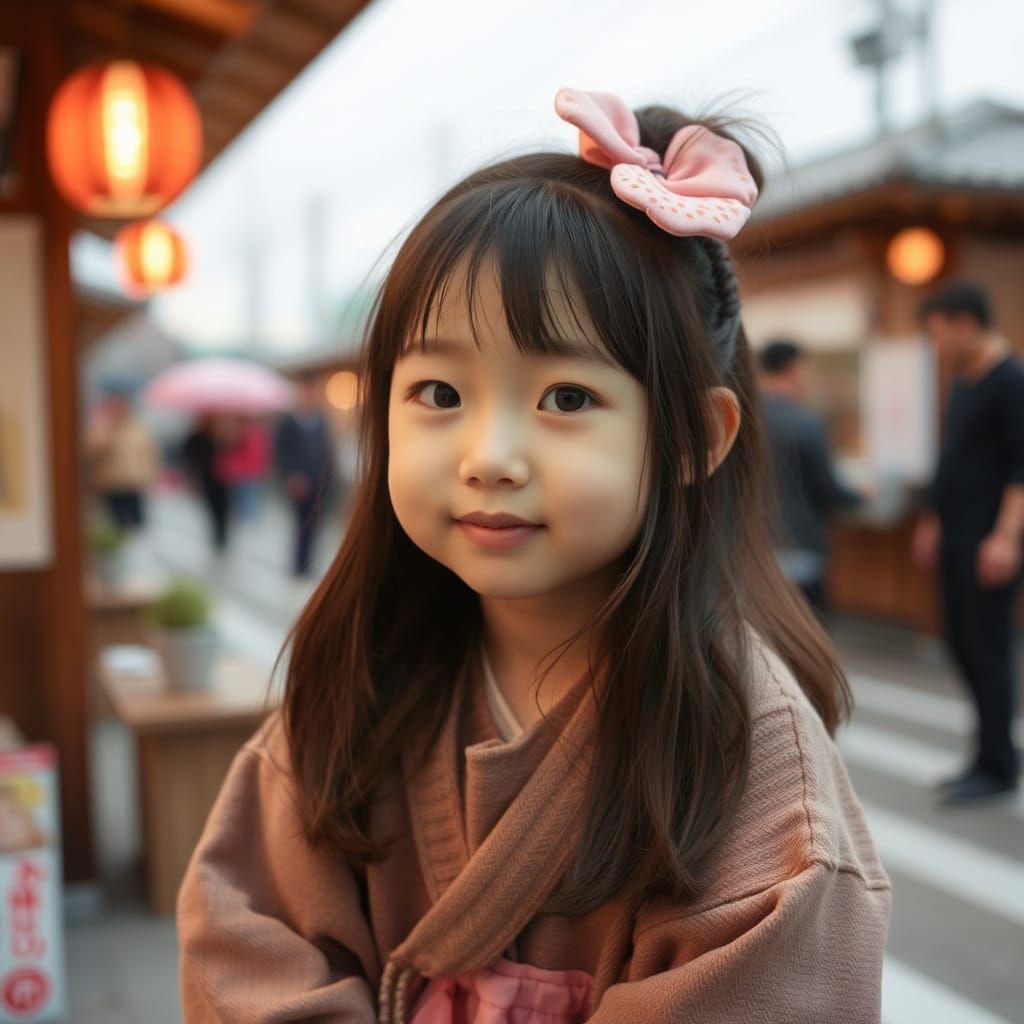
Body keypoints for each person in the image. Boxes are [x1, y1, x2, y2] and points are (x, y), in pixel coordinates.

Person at [179, 88, 890, 1023]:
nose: (489, 458)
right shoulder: (358, 685)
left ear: (696, 439)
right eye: (439, 393)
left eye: (565, 399)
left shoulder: (761, 790)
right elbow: (244, 943)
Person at [913, 280, 1024, 805]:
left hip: (989, 539)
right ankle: (988, 754)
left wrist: (1006, 537)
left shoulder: (1011, 381)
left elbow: (1021, 469)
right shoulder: (963, 383)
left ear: (965, 324)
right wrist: (932, 519)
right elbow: (953, 457)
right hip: (956, 534)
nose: (935, 344)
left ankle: (998, 765)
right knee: (960, 642)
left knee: (988, 649)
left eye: (938, 333)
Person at [757, 339, 862, 618]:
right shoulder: (806, 424)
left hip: (750, 555)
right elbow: (829, 491)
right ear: (793, 369)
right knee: (807, 634)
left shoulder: (740, 420)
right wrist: (860, 495)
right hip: (800, 550)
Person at [274, 375, 335, 577]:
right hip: (299, 482)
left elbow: (326, 448)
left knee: (316, 525)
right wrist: (291, 476)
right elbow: (281, 452)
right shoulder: (288, 422)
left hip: (319, 481)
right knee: (302, 524)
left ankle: (309, 563)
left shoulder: (320, 420)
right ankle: (298, 565)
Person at [83, 390, 158, 531]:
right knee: (117, 522)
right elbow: (92, 452)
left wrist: (151, 475)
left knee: (137, 522)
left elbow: (149, 453)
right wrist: (109, 429)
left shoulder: (137, 427)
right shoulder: (102, 427)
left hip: (134, 482)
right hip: (112, 483)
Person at [182, 416, 231, 553]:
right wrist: (192, 478)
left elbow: (231, 452)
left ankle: (222, 539)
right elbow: (188, 458)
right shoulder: (196, 438)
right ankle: (216, 539)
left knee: (224, 511)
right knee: (212, 510)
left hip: (223, 478)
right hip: (206, 479)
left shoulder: (220, 436)